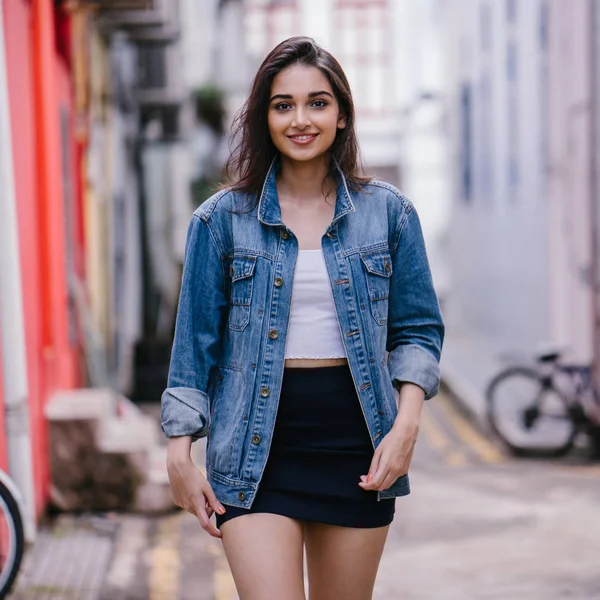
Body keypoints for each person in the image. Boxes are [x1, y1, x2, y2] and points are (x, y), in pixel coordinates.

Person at [161, 36, 445, 600]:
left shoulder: (389, 213)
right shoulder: (220, 222)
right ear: (264, 116)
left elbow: (418, 329)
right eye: (282, 104)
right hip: (252, 451)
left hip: (356, 448)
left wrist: (407, 423)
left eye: (317, 102)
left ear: (342, 115)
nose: (301, 119)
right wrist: (178, 451)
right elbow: (195, 346)